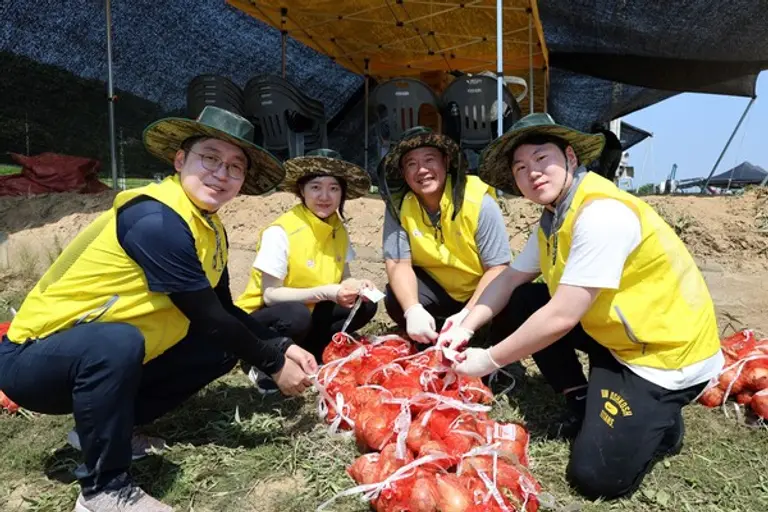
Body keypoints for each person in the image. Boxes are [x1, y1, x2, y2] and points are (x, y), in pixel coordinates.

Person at [0, 106, 319, 512]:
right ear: (180, 160)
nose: (222, 173)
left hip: (104, 354)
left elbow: (222, 309)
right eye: (210, 158)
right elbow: (208, 316)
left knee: (220, 344)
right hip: (33, 359)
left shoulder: (208, 227)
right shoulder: (155, 218)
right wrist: (274, 362)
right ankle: (104, 490)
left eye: (235, 167)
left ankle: (105, 429)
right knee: (117, 341)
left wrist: (281, 346)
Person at [441, 113, 724, 500]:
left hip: (663, 358)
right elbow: (509, 279)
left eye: (542, 159)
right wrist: (465, 326)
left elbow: (561, 316)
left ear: (570, 158)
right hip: (619, 338)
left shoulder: (600, 214)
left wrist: (487, 360)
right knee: (524, 298)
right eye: (521, 167)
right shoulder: (553, 218)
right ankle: (580, 400)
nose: (533, 173)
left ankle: (665, 420)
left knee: (594, 478)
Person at [235, 149, 378, 379]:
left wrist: (357, 285)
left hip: (310, 313)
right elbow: (270, 295)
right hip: (266, 318)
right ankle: (263, 362)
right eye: (316, 187)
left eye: (334, 188)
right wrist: (325, 292)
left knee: (366, 303)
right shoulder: (281, 231)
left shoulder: (337, 228)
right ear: (301, 190)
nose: (325, 196)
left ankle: (315, 350)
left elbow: (344, 276)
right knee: (296, 315)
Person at [378, 126, 511, 348]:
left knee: (513, 293)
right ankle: (427, 335)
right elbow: (397, 262)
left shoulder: (478, 201)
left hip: (479, 292)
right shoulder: (399, 205)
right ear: (403, 173)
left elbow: (498, 268)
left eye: (429, 160)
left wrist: (468, 315)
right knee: (396, 296)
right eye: (411, 164)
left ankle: (492, 344)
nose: (422, 170)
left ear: (446, 162)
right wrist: (412, 309)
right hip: (438, 290)